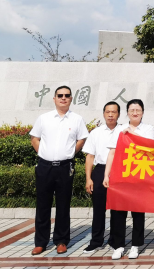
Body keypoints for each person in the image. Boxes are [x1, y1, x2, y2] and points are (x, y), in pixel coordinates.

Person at [29, 86, 90, 255]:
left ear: (71, 99)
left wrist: (70, 153)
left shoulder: (77, 119)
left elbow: (82, 139)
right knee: (43, 205)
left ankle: (61, 241)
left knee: (63, 205)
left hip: (65, 167)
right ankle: (41, 242)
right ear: (54, 98)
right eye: (60, 95)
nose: (63, 98)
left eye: (67, 95)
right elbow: (34, 138)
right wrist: (43, 153)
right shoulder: (44, 118)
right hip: (45, 167)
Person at [103, 99, 154, 260]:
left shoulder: (148, 129)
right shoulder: (119, 129)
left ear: (142, 112)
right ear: (127, 112)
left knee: (138, 212)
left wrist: (131, 134)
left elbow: (149, 147)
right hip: (120, 175)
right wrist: (106, 175)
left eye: (138, 110)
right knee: (118, 212)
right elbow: (112, 153)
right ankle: (118, 246)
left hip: (139, 175)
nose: (135, 112)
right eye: (132, 110)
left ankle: (135, 245)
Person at [81, 101, 120, 255]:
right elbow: (90, 156)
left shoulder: (123, 131)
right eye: (108, 112)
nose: (110, 115)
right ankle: (96, 241)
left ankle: (115, 242)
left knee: (117, 209)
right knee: (98, 209)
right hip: (100, 170)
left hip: (118, 171)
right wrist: (88, 178)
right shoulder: (96, 133)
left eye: (114, 112)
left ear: (118, 114)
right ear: (103, 114)